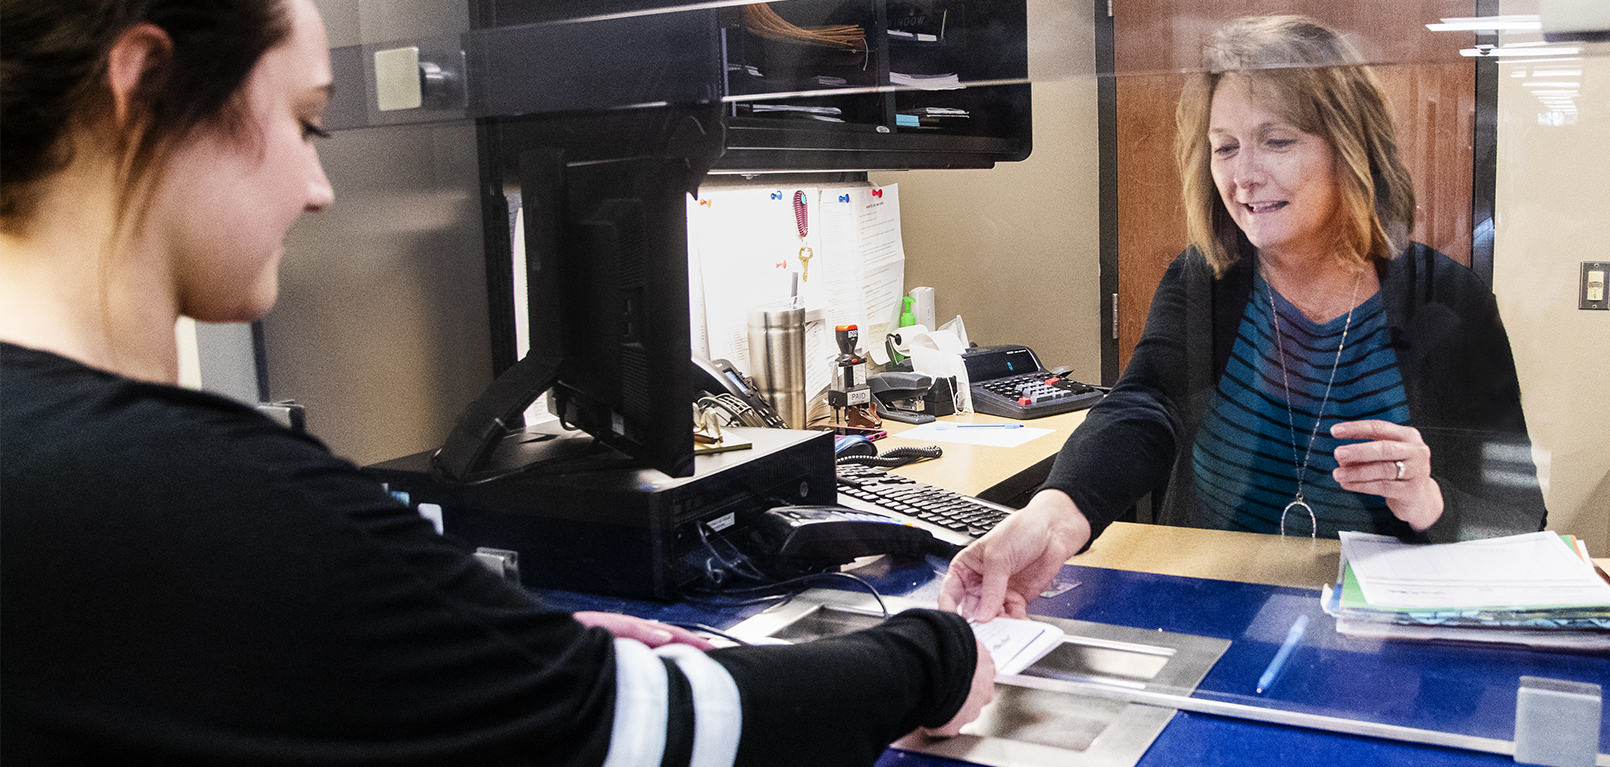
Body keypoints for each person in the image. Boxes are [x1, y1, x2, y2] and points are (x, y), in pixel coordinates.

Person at [0, 0, 993, 764]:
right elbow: (646, 727)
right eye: (307, 123)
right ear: (145, 84)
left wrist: (486, 643)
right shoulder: (187, 492)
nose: (318, 187)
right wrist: (933, 657)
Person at [941, 16, 1546, 622]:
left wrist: (1429, 500)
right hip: (1215, 611)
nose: (1243, 175)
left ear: (1350, 146)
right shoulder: (1205, 279)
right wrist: (1053, 518)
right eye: (1224, 147)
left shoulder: (1448, 299)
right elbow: (1145, 404)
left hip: (1380, 636)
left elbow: (1518, 515)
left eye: (1276, 141)